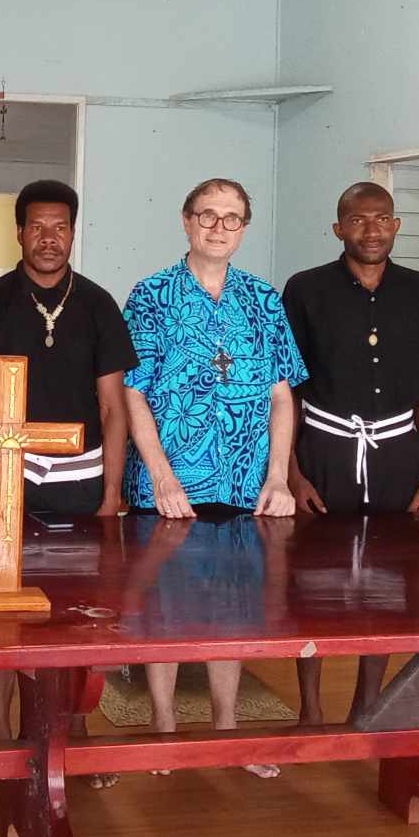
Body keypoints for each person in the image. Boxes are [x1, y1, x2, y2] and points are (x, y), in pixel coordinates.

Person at [122, 177, 305, 777]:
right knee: (164, 612)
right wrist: (161, 475)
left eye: (232, 218)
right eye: (208, 215)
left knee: (236, 610)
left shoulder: (263, 299)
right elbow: (133, 393)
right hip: (171, 485)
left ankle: (227, 733)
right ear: (186, 220)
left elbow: (282, 396)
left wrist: (278, 477)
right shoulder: (151, 295)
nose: (219, 228)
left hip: (248, 484)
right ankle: (165, 732)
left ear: (245, 227)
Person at [0, 179, 135, 783]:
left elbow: (113, 409)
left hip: (82, 481)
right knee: (3, 615)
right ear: (19, 231)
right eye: (37, 227)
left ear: (73, 232)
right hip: (11, 479)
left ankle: (74, 740)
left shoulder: (98, 304)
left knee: (79, 617)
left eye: (60, 227)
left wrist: (111, 494)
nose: (49, 238)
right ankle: (1, 736)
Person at [282, 180, 419, 724]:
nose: (371, 229)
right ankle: (309, 710)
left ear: (396, 226)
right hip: (325, 451)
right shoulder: (306, 290)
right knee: (313, 585)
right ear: (339, 229)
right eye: (358, 220)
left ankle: (368, 707)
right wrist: (291, 472)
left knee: (387, 587)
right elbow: (284, 388)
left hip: (397, 457)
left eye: (382, 219)